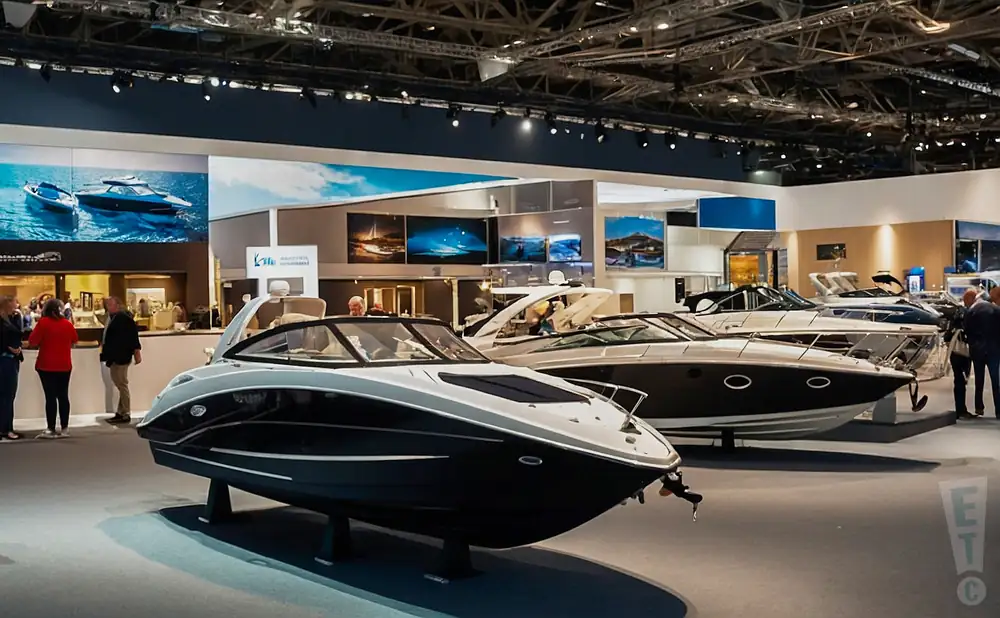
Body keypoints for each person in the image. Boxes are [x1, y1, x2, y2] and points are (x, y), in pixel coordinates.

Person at [27, 298, 78, 438]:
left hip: (46, 365)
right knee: (63, 396)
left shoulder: (43, 323)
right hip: (64, 364)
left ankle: (50, 428)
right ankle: (65, 428)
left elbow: (32, 341)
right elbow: (74, 340)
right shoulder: (67, 324)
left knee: (50, 397)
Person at [101, 296, 142, 424]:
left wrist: (137, 352)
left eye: (111, 305)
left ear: (117, 305)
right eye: (107, 305)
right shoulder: (112, 318)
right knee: (119, 383)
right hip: (115, 356)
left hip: (121, 356)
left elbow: (133, 337)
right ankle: (121, 411)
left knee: (122, 384)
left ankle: (126, 412)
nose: (108, 307)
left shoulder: (124, 319)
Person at [961, 287, 999, 417]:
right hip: (994, 349)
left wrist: (972, 343)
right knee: (995, 380)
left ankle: (979, 407)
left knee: (979, 379)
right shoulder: (996, 310)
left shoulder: (972, 311)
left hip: (977, 349)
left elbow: (966, 330)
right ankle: (998, 410)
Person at [944, 289, 976, 420]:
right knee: (961, 381)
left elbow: (947, 336)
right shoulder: (967, 314)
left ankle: (961, 409)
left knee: (959, 381)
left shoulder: (956, 314)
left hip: (954, 352)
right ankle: (961, 410)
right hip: (961, 354)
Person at [0, 297, 23, 440]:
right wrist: (10, 348)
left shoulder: (11, 319)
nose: (16, 305)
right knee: (7, 395)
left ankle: (6, 427)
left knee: (8, 396)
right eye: (14, 302)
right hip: (5, 360)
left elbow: (19, 334)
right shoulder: (4, 322)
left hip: (11, 359)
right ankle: (6, 428)